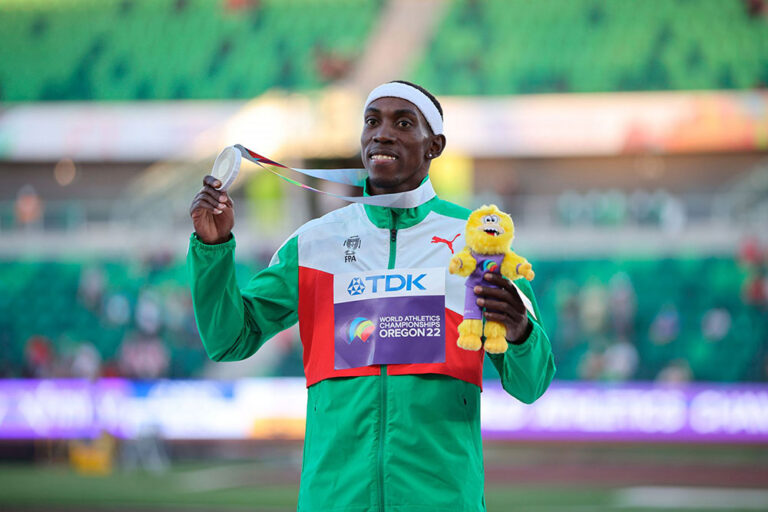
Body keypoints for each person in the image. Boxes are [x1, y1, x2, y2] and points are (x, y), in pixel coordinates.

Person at [188, 80, 555, 511]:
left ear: (434, 145)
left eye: (403, 122)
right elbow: (229, 340)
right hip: (334, 499)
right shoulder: (314, 243)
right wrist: (214, 250)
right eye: (371, 122)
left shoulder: (479, 241)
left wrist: (519, 330)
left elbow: (531, 385)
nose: (382, 133)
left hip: (441, 499)